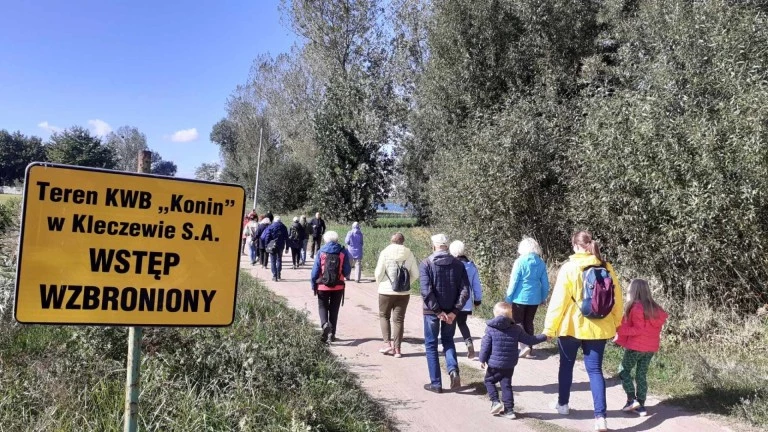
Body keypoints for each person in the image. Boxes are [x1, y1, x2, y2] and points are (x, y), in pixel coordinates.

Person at [543, 231, 623, 432]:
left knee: (566, 366)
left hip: (571, 326)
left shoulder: (569, 268)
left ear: (575, 246)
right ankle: (601, 419)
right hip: (599, 328)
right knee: (595, 371)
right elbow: (617, 300)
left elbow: (558, 301)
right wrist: (616, 323)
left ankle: (563, 405)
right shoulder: (607, 267)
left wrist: (549, 328)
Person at [420, 233, 470, 393]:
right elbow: (465, 291)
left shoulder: (426, 263)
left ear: (434, 245)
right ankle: (453, 370)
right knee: (448, 340)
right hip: (451, 311)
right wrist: (455, 311)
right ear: (447, 246)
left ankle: (436, 383)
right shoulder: (458, 264)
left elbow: (425, 291)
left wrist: (437, 311)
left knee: (431, 344)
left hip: (432, 312)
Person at [479, 302, 547, 419]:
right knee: (506, 385)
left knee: (489, 381)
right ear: (511, 315)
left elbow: (485, 346)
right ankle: (509, 410)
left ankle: (495, 402)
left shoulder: (490, 329)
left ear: (495, 314)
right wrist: (545, 336)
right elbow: (530, 340)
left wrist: (482, 359)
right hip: (510, 364)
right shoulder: (517, 329)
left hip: (494, 364)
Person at [615, 279, 668, 417]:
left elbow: (637, 330)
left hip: (635, 347)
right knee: (641, 375)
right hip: (650, 348)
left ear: (633, 291)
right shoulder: (655, 308)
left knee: (623, 370)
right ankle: (641, 405)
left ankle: (631, 400)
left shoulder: (636, 307)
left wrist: (619, 329)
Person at [374, 232, 419, 358]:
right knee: (399, 319)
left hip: (386, 291)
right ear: (403, 241)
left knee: (384, 316)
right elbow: (415, 273)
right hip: (403, 293)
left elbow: (378, 272)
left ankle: (387, 344)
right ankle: (398, 349)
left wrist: (380, 284)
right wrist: (406, 284)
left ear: (391, 240)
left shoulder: (385, 252)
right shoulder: (409, 253)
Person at [505, 237, 550, 359]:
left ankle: (524, 346)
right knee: (529, 321)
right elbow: (546, 284)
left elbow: (513, 281)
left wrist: (508, 298)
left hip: (519, 297)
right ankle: (529, 347)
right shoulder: (540, 263)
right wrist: (543, 297)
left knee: (518, 322)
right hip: (534, 298)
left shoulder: (520, 262)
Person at [310, 231, 351, 343]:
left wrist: (314, 284)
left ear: (325, 240)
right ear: (337, 240)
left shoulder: (321, 251)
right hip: (338, 286)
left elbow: (315, 271)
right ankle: (332, 335)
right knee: (334, 310)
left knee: (322, 307)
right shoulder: (343, 251)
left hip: (322, 285)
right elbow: (347, 270)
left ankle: (324, 324)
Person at [449, 240, 483, 359]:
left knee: (450, 324)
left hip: (452, 302)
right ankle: (469, 343)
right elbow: (476, 284)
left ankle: (449, 347)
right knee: (462, 323)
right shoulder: (471, 266)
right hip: (466, 302)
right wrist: (477, 299)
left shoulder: (450, 265)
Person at [260, 216, 289, 281]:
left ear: (274, 221)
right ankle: (279, 275)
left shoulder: (270, 226)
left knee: (273, 261)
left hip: (272, 245)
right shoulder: (284, 227)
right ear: (280, 221)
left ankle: (274, 275)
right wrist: (287, 248)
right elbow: (287, 238)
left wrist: (266, 245)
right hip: (281, 246)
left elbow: (267, 236)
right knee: (279, 260)